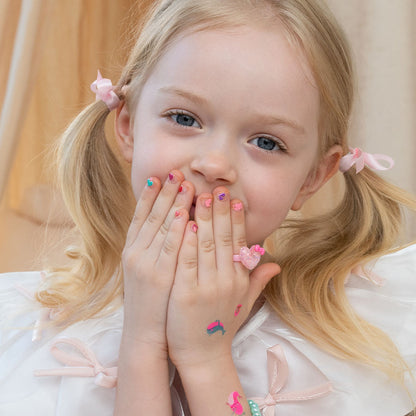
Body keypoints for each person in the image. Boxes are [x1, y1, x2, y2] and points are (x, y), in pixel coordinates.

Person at [0, 0, 415, 415]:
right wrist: (143, 341)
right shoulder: (26, 333)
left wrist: (205, 359)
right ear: (127, 126)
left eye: (266, 142)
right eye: (184, 119)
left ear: (312, 177)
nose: (215, 164)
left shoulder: (353, 343)